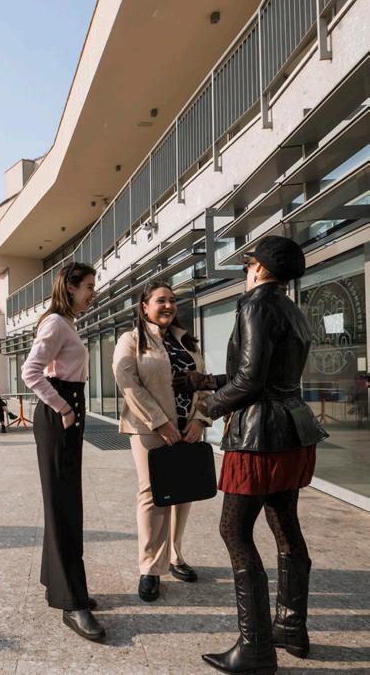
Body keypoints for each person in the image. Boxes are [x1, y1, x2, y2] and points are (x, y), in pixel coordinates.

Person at [184, 236, 328, 674]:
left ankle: (255, 649)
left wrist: (206, 409)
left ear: (260, 268)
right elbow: (266, 372)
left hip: (259, 437)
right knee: (285, 526)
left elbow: (249, 382)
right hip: (293, 431)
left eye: (248, 264)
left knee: (234, 530)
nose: (247, 271)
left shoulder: (254, 305)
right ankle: (291, 628)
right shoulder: (292, 309)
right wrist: (208, 381)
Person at [112, 281, 212, 603]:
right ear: (144, 306)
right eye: (161, 300)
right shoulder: (131, 340)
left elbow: (204, 384)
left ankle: (175, 555)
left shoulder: (187, 341)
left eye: (172, 300)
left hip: (187, 428)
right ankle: (150, 568)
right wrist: (161, 422)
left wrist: (200, 419)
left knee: (183, 492)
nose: (168, 305)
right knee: (153, 494)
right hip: (149, 428)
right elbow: (128, 383)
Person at [21, 261, 105, 641]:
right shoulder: (55, 323)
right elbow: (30, 371)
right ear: (70, 287)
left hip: (68, 414)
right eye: (88, 286)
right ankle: (72, 602)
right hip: (60, 418)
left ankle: (60, 584)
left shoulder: (66, 323)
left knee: (66, 503)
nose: (93, 293)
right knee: (64, 506)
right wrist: (64, 408)